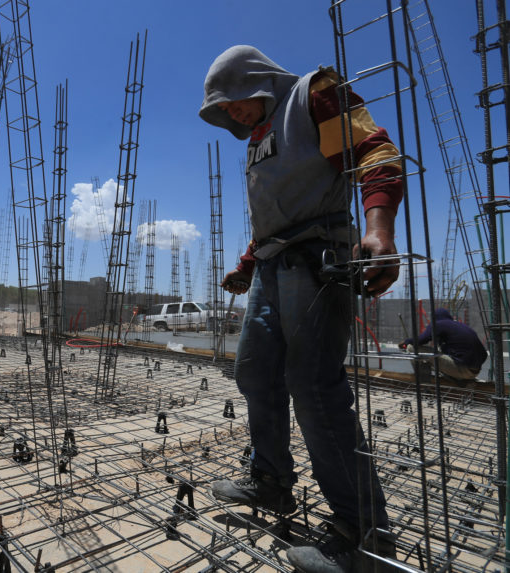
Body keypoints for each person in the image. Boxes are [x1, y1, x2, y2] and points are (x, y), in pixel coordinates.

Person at [199, 46, 401, 572]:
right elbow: (276, 215)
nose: (233, 115)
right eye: (224, 112)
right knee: (255, 373)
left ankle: (365, 535)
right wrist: (247, 265)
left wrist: (379, 231)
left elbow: (374, 153)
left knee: (313, 385)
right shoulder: (261, 137)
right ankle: (270, 481)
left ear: (255, 81)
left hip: (317, 259)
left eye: (234, 103)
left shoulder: (314, 94)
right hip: (273, 265)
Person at [399, 307, 487, 383]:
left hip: (462, 370)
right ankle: (456, 377)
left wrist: (406, 342)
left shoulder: (438, 324)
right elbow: (484, 354)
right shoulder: (460, 326)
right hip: (475, 372)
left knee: (411, 348)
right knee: (441, 351)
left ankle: (423, 381)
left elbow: (421, 340)